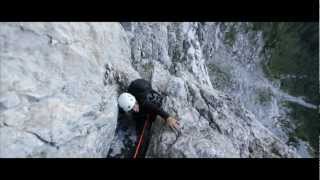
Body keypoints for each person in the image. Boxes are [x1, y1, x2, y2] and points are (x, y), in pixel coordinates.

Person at [118, 79, 180, 158]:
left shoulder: (143, 101)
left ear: (135, 100)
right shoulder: (126, 100)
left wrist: (168, 117)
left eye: (135, 105)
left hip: (146, 92)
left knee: (142, 120)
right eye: (132, 109)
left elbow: (156, 109)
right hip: (142, 87)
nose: (135, 109)